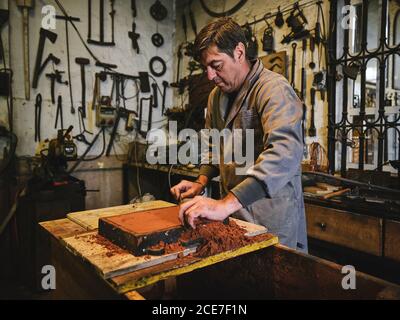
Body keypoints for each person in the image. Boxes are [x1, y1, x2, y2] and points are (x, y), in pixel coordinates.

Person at [170, 17, 307, 252]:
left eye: (216, 65)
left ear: (239, 52)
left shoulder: (273, 89)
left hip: (270, 218)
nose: (210, 76)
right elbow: (213, 144)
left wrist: (224, 204)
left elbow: (284, 154)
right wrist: (200, 182)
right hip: (234, 215)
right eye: (206, 68)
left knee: (271, 284)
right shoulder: (216, 96)